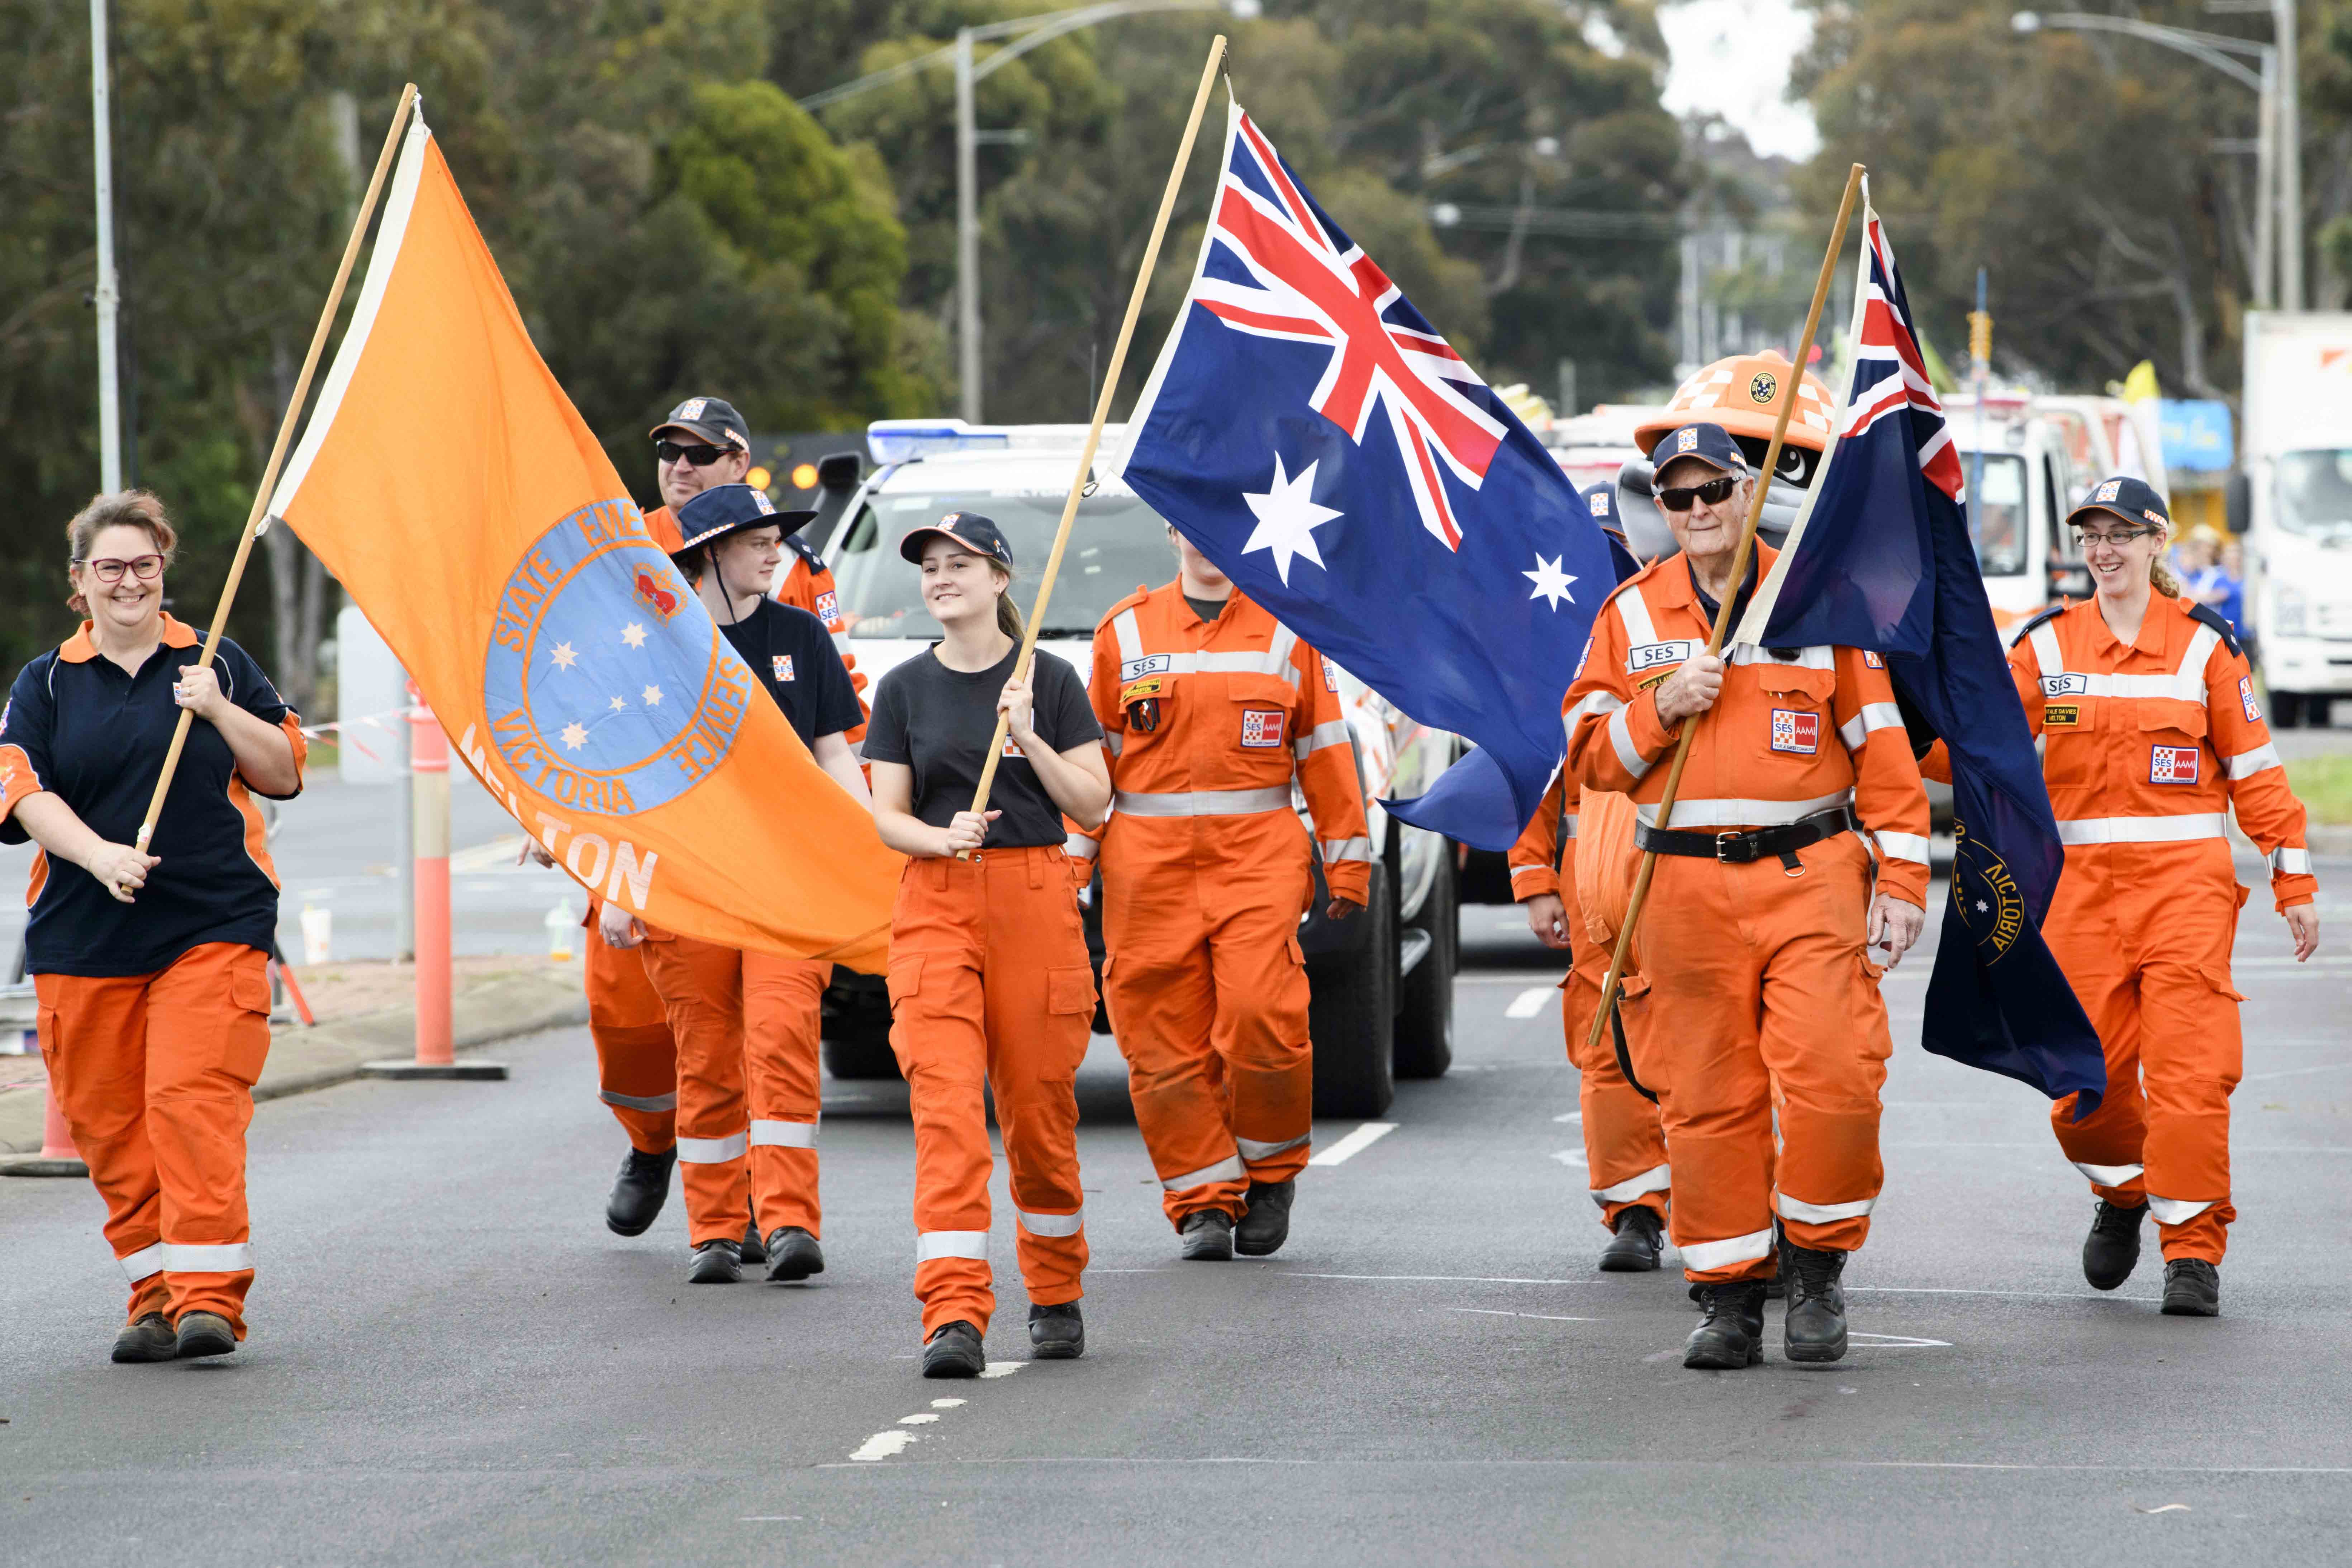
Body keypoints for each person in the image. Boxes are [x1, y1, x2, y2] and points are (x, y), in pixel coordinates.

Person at [1562, 422, 1931, 1369]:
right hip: (1679, 888)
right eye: (1676, 498)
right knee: (1706, 1098)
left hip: (1808, 878)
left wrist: (1902, 876)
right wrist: (1660, 704)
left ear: (1746, 492)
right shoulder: (1629, 617)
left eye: (1711, 491)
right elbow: (1588, 760)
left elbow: (1884, 755)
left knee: (1837, 1077)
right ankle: (1728, 1292)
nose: (1696, 512)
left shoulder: (1816, 600)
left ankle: (1814, 1268)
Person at [1967, 477, 2318, 1316]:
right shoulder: (2045, 646)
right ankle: (2123, 1190)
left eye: (2120, 533)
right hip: (2077, 904)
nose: (2103, 549)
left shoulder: (2204, 648)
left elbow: (2257, 774)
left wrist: (2292, 877)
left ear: (2156, 542)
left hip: (2183, 898)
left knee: (2192, 1080)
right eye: (2090, 534)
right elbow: (1974, 744)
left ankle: (2191, 1250)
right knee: (2080, 1095)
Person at [0, 491, 305, 1362]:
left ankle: (211, 1299)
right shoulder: (45, 683)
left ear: (164, 571)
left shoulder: (217, 661)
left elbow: (282, 770)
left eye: (146, 565)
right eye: (112, 567)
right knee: (112, 1127)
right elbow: (21, 791)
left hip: (213, 923)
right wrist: (98, 856)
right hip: (82, 937)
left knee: (189, 1104)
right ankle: (155, 1294)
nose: (130, 581)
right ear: (80, 583)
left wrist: (217, 707)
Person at [599, 483, 870, 1285]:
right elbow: (624, 780)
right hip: (693, 886)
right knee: (707, 1057)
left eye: (776, 538)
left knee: (782, 1042)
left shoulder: (801, 637)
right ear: (711, 551)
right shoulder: (656, 650)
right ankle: (716, 1231)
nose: (773, 550)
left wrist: (867, 850)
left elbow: (834, 755)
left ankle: (788, 1225)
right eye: (757, 539)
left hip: (789, 886)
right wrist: (619, 887)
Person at [864, 512, 1111, 1376]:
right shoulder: (901, 689)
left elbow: (1093, 805)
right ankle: (954, 1313)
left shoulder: (1049, 677)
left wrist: (1029, 734)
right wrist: (940, 837)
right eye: (930, 566)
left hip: (1034, 897)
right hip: (934, 900)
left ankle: (1054, 1289)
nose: (940, 577)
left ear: (1000, 581)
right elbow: (887, 816)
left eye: (959, 563)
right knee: (944, 1110)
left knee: (1038, 1113)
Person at [1081, 527, 1369, 1262]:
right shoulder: (1124, 629)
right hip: (1146, 873)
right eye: (1191, 520)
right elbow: (1093, 764)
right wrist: (1069, 865)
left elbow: (1326, 753)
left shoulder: (1289, 626)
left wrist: (1348, 867)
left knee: (1260, 1015)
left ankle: (1270, 1174)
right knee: (1158, 1042)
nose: (1207, 538)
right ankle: (1202, 1198)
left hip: (1256, 862)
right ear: (1170, 529)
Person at [1510, 484, 1671, 1273]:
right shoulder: (1556, 664)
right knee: (1606, 1045)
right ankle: (1634, 1208)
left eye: (1613, 547)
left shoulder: (1671, 626)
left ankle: (1745, 1206)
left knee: (1714, 1041)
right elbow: (1532, 779)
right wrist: (1533, 878)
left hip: (1687, 868)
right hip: (1596, 875)